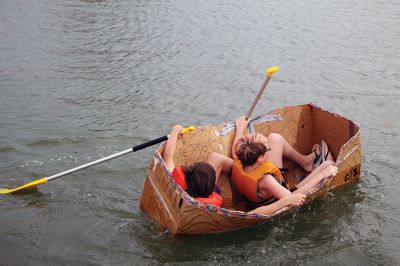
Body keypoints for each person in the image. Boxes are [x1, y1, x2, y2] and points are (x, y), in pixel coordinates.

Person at [231, 116, 338, 212]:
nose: (270, 149)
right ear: (260, 158)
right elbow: (291, 198)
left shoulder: (240, 157)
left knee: (275, 138)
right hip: (279, 199)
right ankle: (318, 166)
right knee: (329, 164)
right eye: (268, 149)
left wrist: (240, 128)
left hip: (258, 192)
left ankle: (306, 162)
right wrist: (322, 175)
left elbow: (236, 146)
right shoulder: (266, 180)